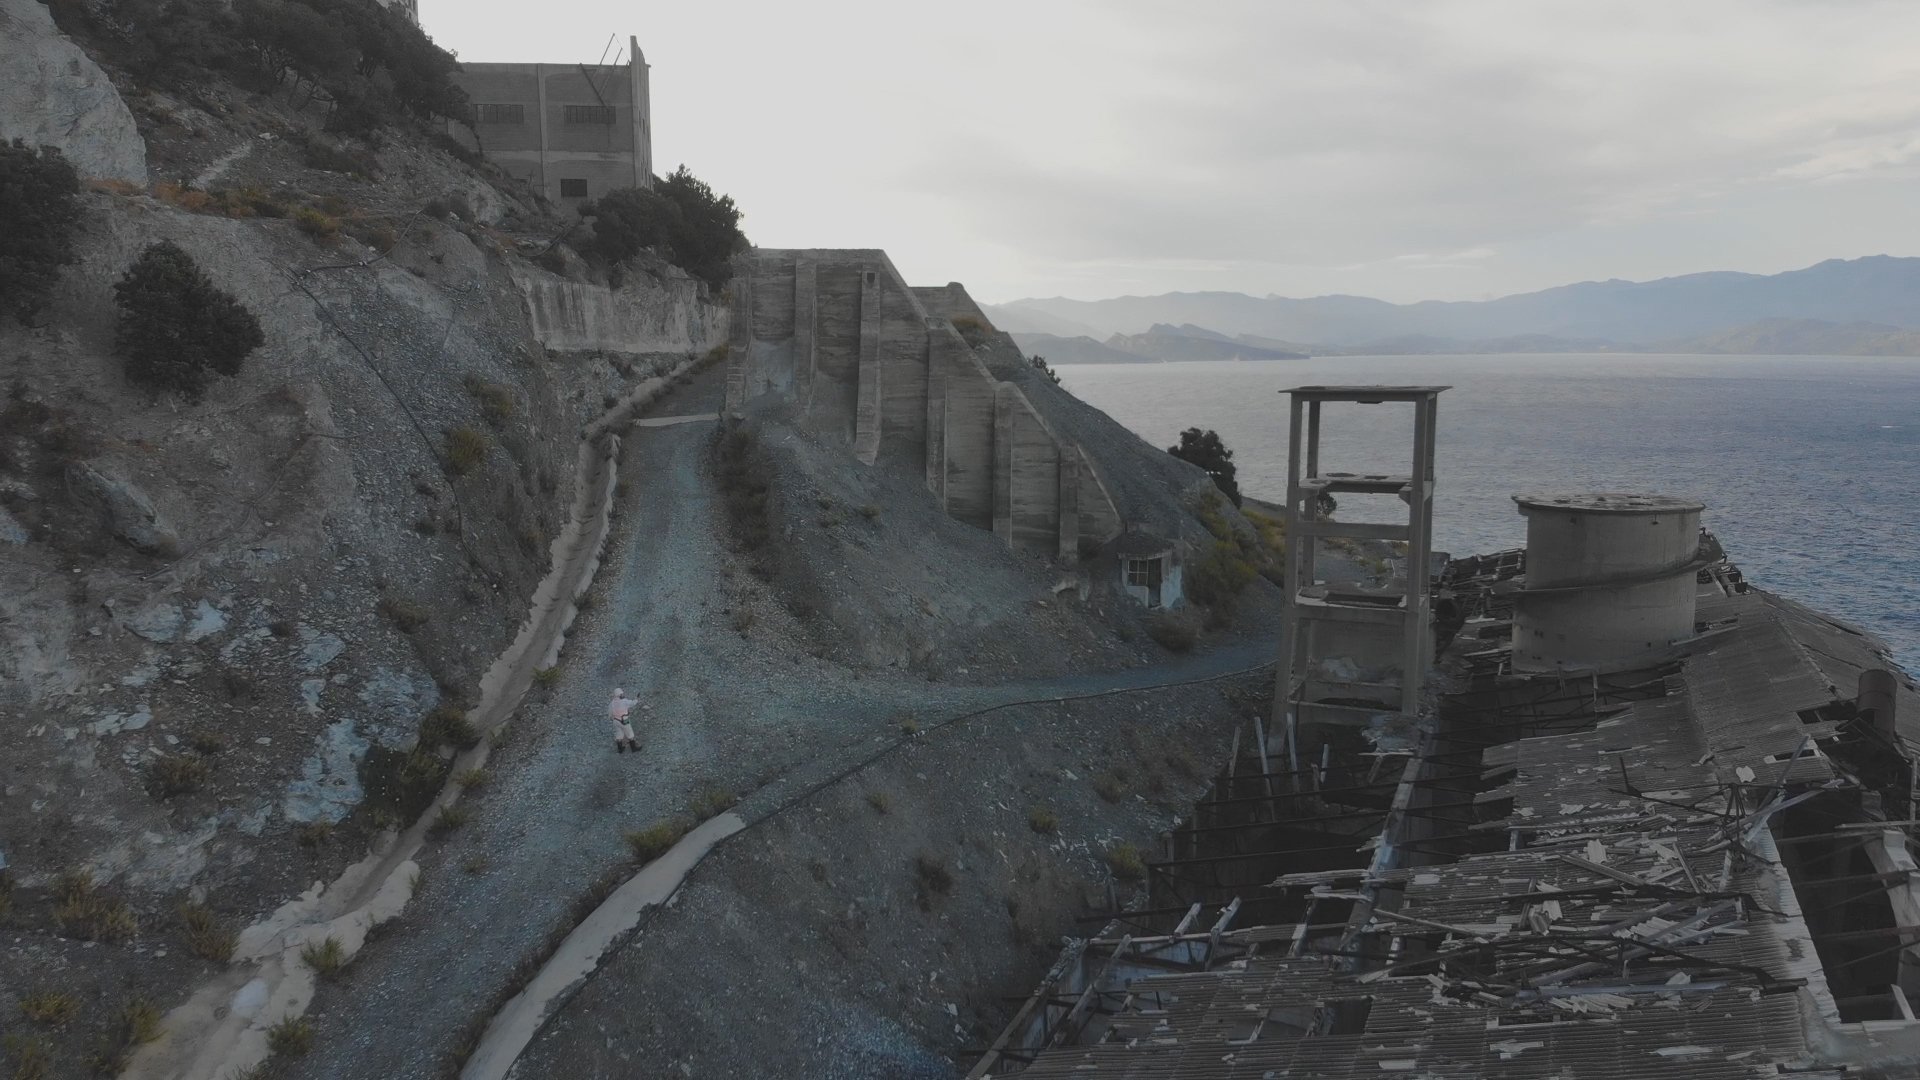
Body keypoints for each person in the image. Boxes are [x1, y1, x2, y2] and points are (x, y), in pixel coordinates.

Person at [607, 688, 639, 754]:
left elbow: (610, 714)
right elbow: (632, 703)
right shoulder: (624, 701)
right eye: (622, 694)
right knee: (630, 733)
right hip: (624, 720)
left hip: (616, 721)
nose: (623, 695)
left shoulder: (612, 703)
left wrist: (612, 718)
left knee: (619, 734)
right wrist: (636, 699)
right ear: (619, 695)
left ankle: (620, 749)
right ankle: (633, 748)